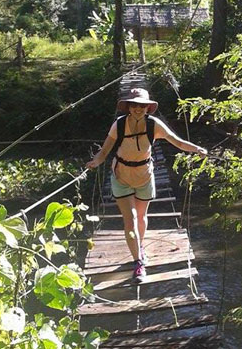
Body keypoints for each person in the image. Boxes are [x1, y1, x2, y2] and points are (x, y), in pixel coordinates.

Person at [86, 88, 208, 283]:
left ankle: (139, 247)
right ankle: (138, 262)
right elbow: (105, 151)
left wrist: (196, 149)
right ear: (128, 107)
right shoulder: (118, 125)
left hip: (144, 176)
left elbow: (177, 142)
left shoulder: (154, 125)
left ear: (148, 107)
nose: (138, 109)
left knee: (142, 217)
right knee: (131, 219)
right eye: (134, 105)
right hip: (121, 176)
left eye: (142, 105)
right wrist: (95, 162)